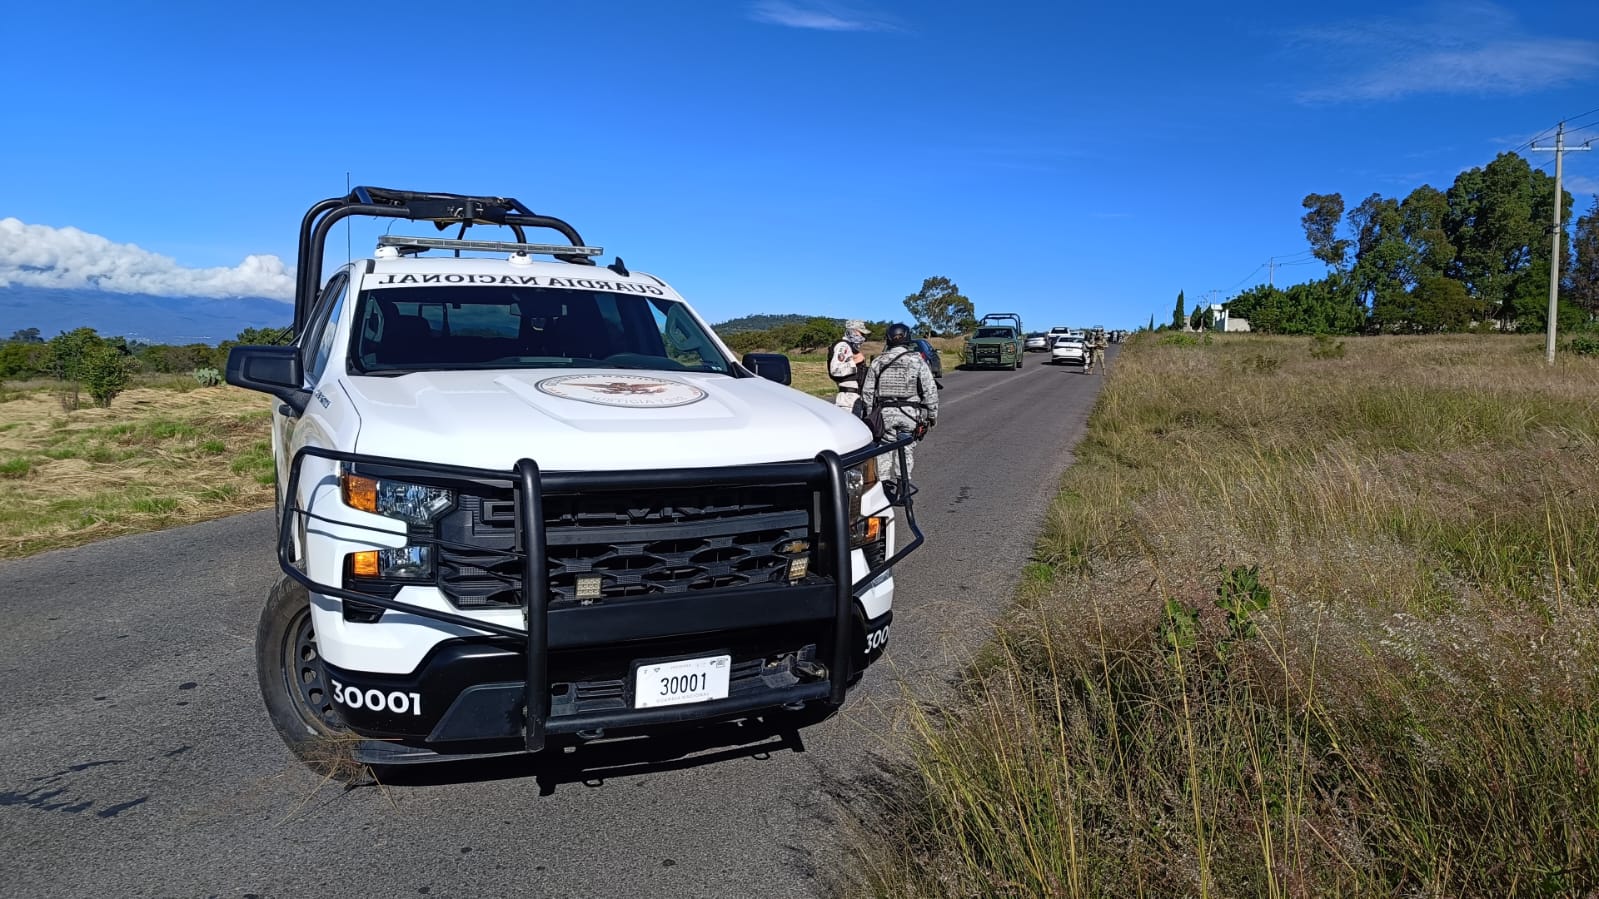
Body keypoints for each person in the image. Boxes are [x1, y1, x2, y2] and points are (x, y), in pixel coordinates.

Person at [861, 322, 939, 488]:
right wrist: (932, 416)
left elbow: (867, 393)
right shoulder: (917, 361)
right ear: (907, 338)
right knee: (906, 448)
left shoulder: (878, 362)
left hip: (885, 414)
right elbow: (930, 392)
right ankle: (903, 486)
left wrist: (870, 415)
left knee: (884, 449)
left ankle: (881, 489)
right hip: (910, 414)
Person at [828, 319, 871, 414]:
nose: (863, 338)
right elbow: (835, 369)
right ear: (852, 331)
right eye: (861, 334)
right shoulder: (843, 346)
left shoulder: (850, 347)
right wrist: (855, 362)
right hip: (847, 399)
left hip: (853, 397)